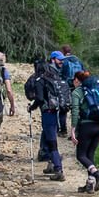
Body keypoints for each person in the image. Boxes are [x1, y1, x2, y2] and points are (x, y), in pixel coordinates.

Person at [69, 70, 99, 194]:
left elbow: (75, 111)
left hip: (87, 126)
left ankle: (97, 174)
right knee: (90, 155)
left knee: (81, 155)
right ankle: (90, 185)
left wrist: (73, 129)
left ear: (77, 80)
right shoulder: (95, 89)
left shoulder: (77, 92)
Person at [29, 54, 67, 182]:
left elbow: (40, 98)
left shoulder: (40, 80)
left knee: (52, 142)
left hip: (47, 113)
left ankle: (58, 169)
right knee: (47, 137)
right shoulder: (52, 78)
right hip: (55, 112)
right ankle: (51, 165)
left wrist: (32, 107)